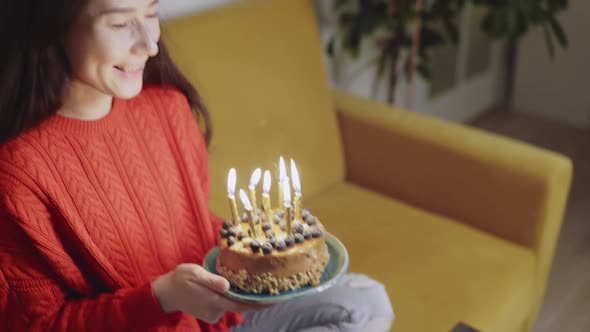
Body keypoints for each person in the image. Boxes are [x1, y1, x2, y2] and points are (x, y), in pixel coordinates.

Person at [0, 0, 394, 331]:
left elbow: (189, 225)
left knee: (366, 301)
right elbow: (40, 324)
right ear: (52, 26)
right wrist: (159, 299)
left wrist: (259, 256)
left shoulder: (167, 106)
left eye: (152, 13)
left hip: (221, 318)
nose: (149, 45)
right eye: (120, 23)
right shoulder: (19, 171)